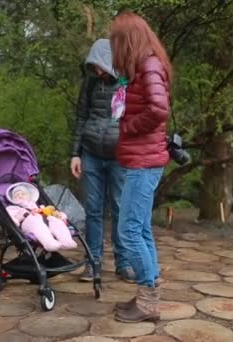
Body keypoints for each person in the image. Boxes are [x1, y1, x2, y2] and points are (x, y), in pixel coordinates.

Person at [109, 12, 173, 323]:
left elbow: (159, 109)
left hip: (144, 162)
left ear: (128, 40)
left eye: (116, 41)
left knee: (129, 231)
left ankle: (148, 301)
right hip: (142, 160)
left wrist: (130, 127)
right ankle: (147, 292)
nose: (113, 47)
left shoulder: (148, 65)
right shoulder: (138, 68)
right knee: (141, 228)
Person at [70, 39, 134, 283]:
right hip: (92, 155)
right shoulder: (90, 84)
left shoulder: (129, 82)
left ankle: (124, 262)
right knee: (93, 211)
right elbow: (80, 118)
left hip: (120, 157)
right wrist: (75, 154)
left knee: (120, 209)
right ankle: (93, 262)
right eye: (93, 66)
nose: (97, 71)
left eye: (100, 65)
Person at [5, 182, 77, 251]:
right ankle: (49, 244)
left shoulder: (39, 206)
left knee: (56, 221)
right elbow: (10, 217)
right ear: (12, 200)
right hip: (29, 223)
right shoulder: (14, 208)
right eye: (16, 195)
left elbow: (49, 212)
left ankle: (66, 241)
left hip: (45, 221)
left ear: (29, 196)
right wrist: (15, 221)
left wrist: (59, 215)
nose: (20, 196)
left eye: (23, 194)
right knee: (36, 222)